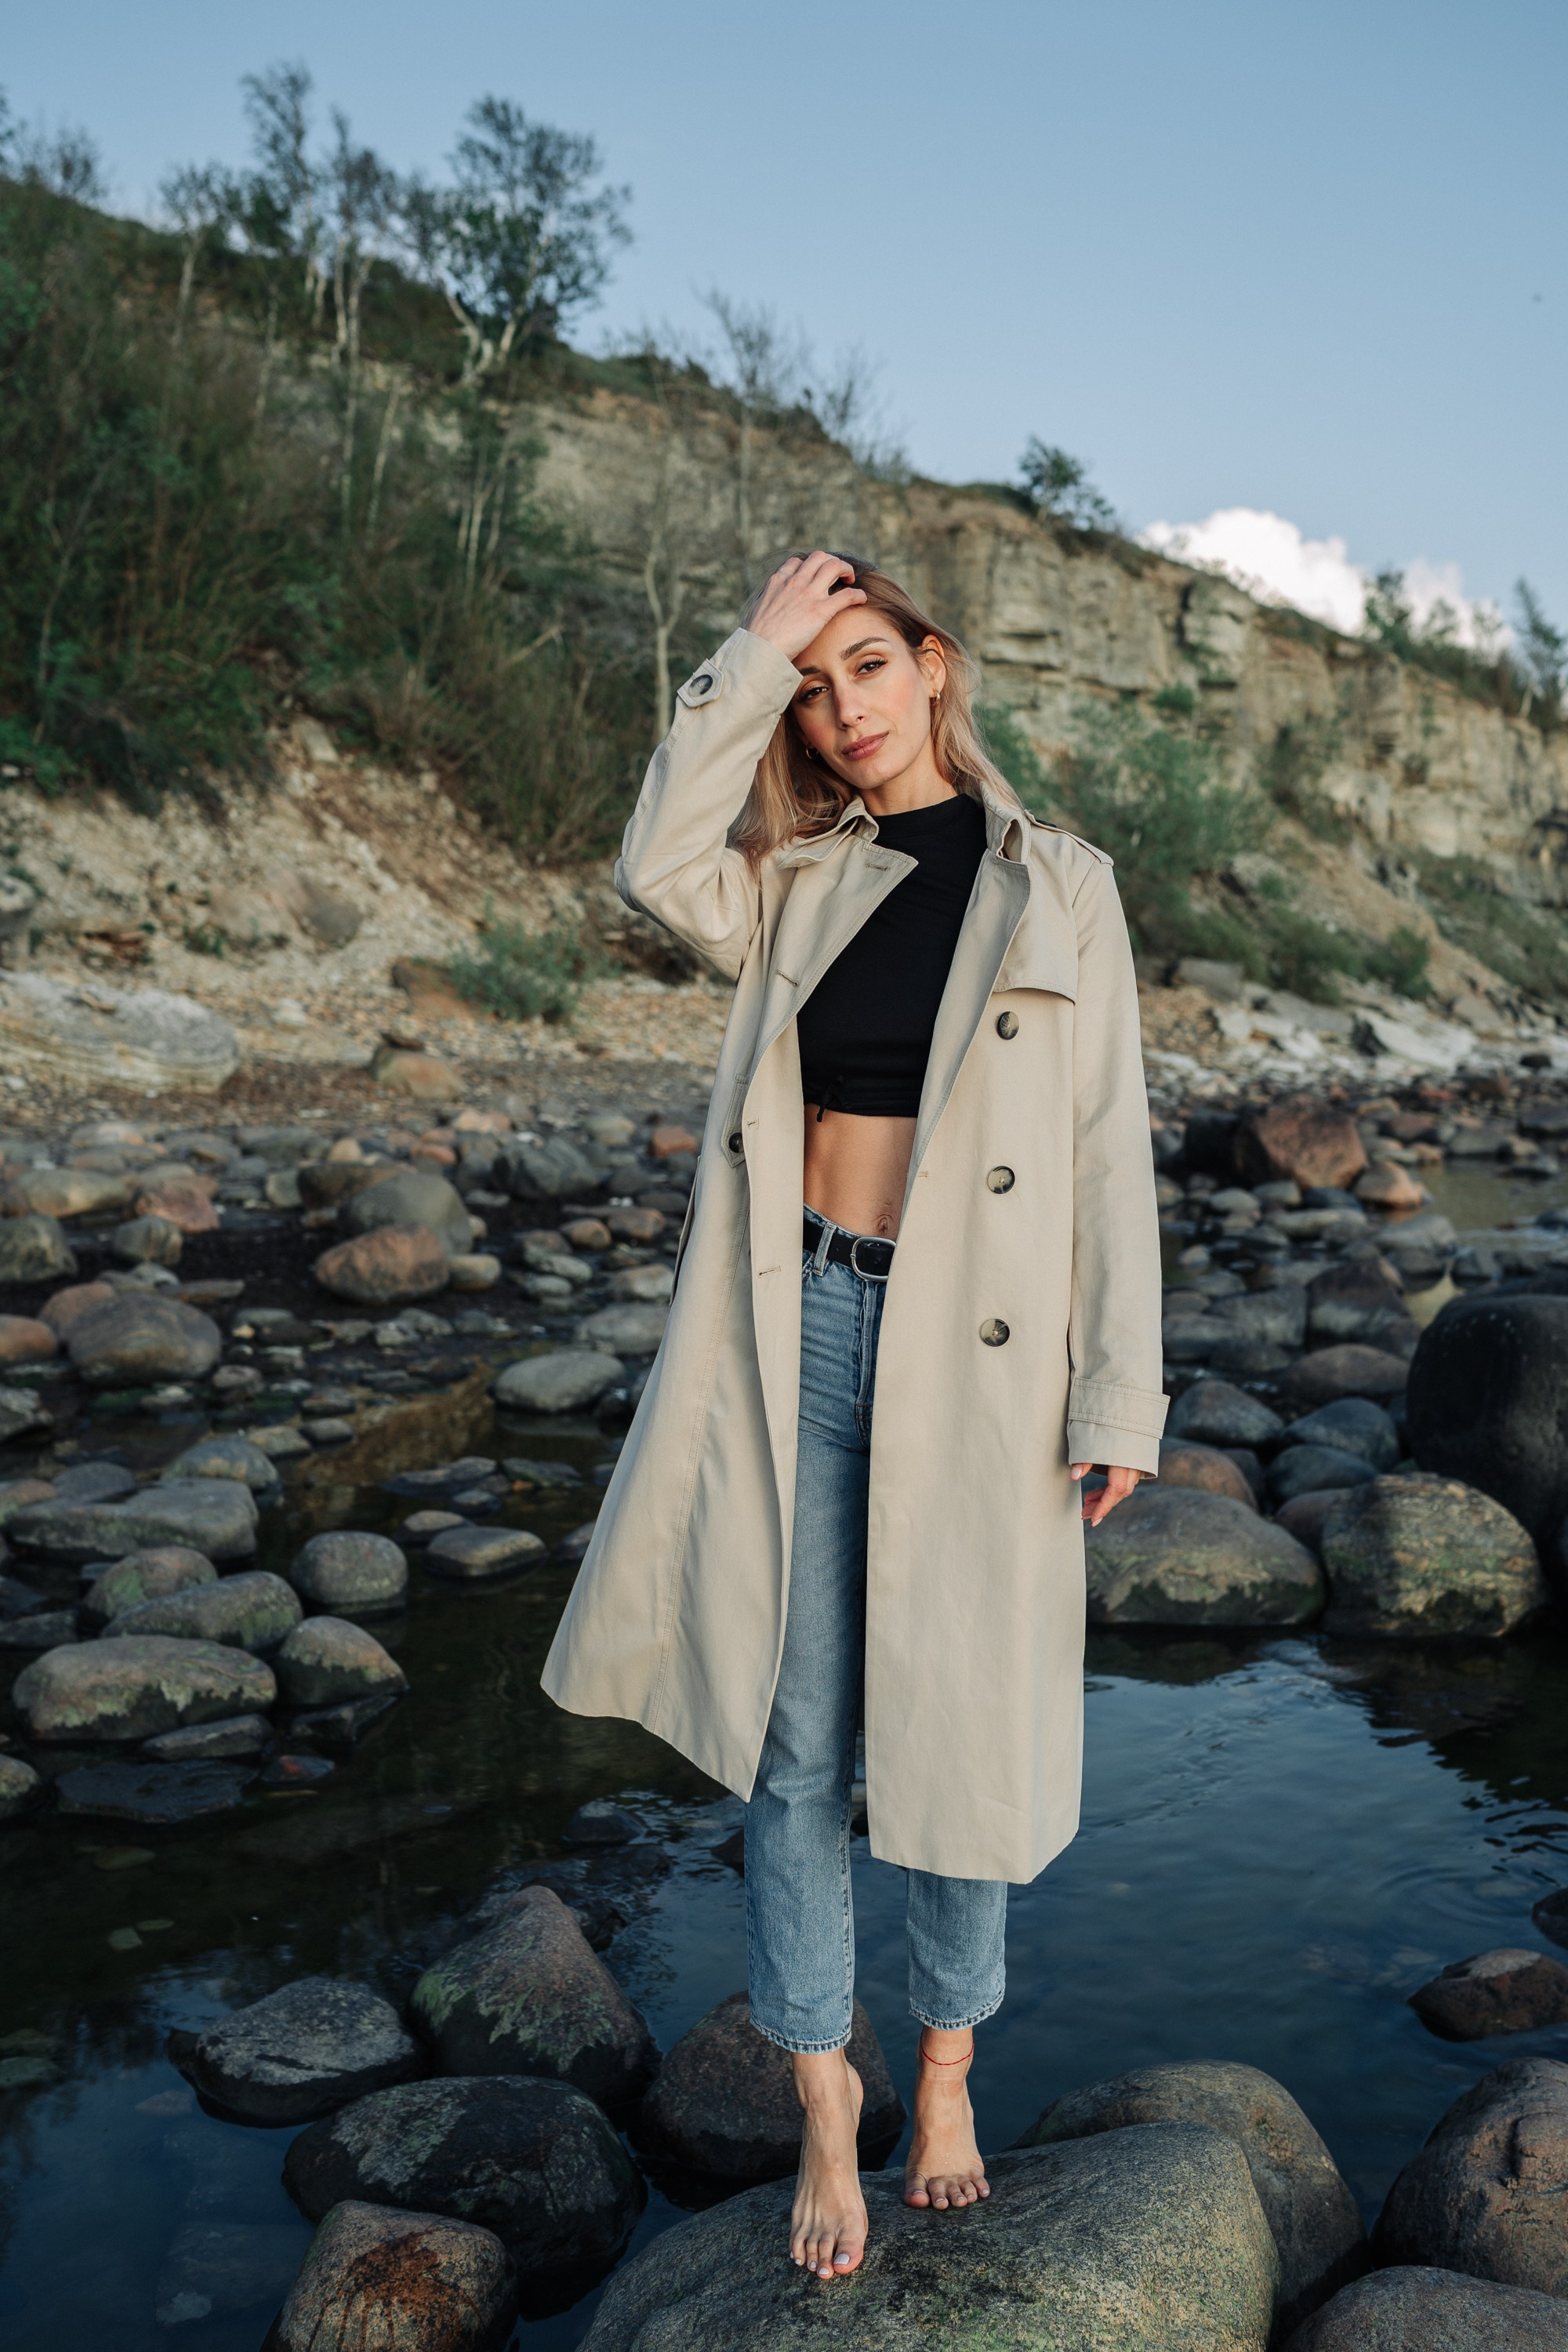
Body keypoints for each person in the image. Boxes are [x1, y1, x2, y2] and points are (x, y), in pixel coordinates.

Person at [543, 550, 1167, 2280]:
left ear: (936, 668)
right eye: (815, 685)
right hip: (800, 1327)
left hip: (983, 1361)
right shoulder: (797, 876)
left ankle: (949, 2075)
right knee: (799, 1747)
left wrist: (1121, 1387)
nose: (843, 707)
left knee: (960, 1735)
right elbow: (651, 865)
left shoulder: (1068, 889)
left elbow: (1109, 1150)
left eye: (865, 665)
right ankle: (828, 2097)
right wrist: (740, 653)